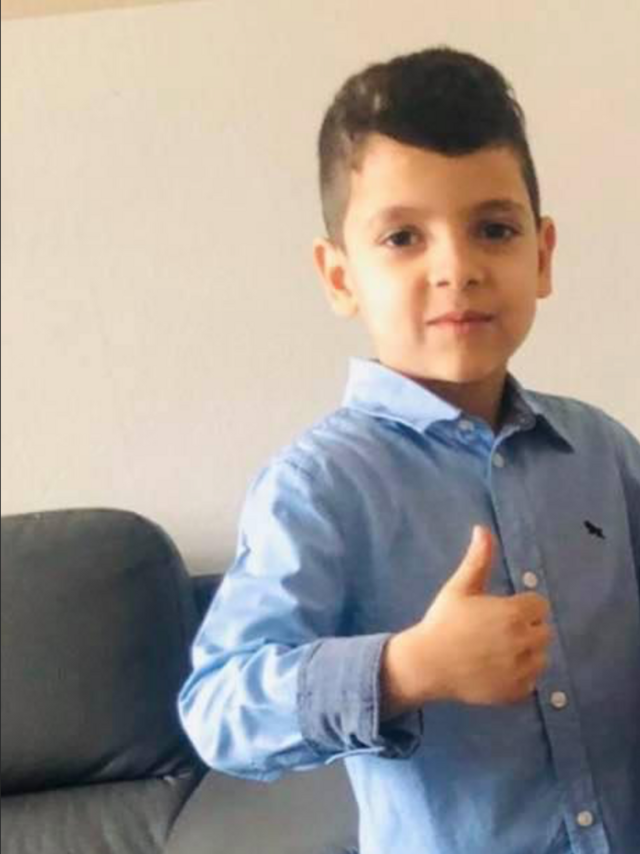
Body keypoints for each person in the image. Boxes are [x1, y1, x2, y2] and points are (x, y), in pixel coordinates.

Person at [178, 46, 640, 854]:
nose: (457, 268)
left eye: (493, 229)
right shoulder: (319, 487)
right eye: (402, 237)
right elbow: (217, 708)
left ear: (541, 256)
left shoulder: (600, 449)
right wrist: (407, 669)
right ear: (339, 277)